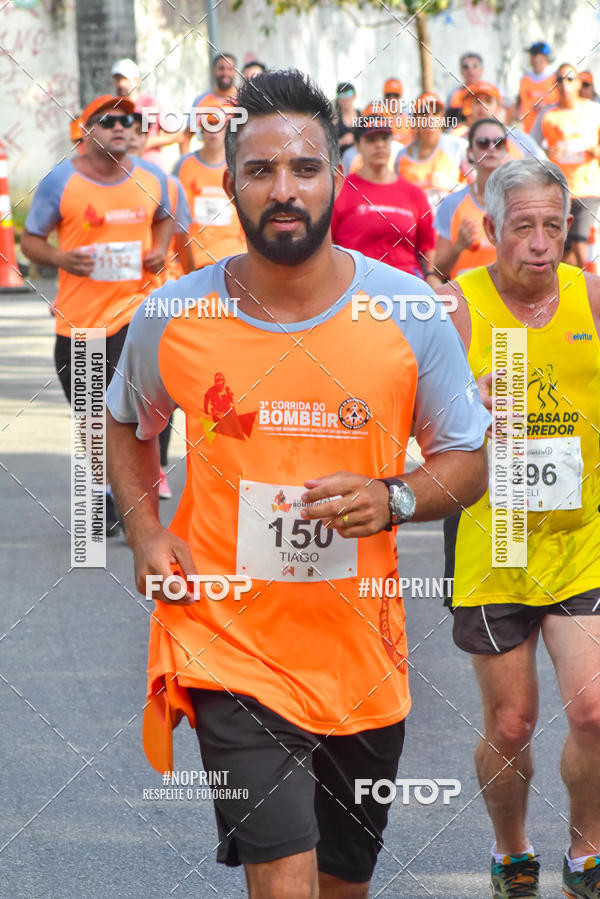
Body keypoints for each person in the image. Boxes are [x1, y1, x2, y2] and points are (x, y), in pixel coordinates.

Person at [105, 68, 489, 899]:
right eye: (260, 169)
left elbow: (468, 457)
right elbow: (126, 423)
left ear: (335, 180)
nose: (284, 189)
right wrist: (144, 530)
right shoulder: (172, 315)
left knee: (342, 886)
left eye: (305, 168)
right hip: (226, 643)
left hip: (361, 657)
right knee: (284, 882)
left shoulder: (408, 312)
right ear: (229, 185)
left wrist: (392, 496)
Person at [441, 158, 600, 899]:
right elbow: (416, 422)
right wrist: (463, 403)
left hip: (580, 540)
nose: (540, 243)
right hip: (494, 541)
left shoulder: (590, 297)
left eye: (553, 227)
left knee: (593, 710)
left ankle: (587, 851)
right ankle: (512, 851)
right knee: (511, 725)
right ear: (491, 227)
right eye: (523, 226)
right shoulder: (457, 307)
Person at [21, 94, 173, 533]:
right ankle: (108, 490)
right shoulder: (60, 182)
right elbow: (30, 241)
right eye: (108, 121)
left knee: (133, 414)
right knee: (92, 420)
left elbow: (166, 216)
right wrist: (61, 259)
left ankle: (135, 502)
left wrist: (160, 249)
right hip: (80, 323)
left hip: (136, 315)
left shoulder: (153, 177)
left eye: (128, 120)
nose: (120, 127)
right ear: (87, 133)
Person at [128, 113, 194, 499]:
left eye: (139, 132)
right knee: (115, 390)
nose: (131, 138)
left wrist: (194, 285)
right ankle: (115, 477)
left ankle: (158, 467)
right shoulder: (99, 186)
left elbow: (183, 240)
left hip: (159, 299)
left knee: (161, 386)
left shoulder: (168, 184)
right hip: (109, 307)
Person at [332, 111, 437, 280]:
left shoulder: (414, 194)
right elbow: (326, 244)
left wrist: (430, 275)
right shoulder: (341, 190)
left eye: (384, 138)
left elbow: (428, 246)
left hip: (405, 285)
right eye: (371, 140)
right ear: (357, 145)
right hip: (357, 285)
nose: (379, 145)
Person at [531, 63, 600, 269]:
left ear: (579, 83)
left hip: (588, 188)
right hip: (558, 189)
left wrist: (596, 151)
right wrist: (546, 152)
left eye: (570, 79)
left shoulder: (594, 111)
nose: (565, 84)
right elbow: (530, 146)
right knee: (564, 249)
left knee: (580, 242)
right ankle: (573, 287)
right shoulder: (548, 114)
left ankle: (590, 286)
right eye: (560, 80)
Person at [433, 118, 508, 279]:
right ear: (469, 152)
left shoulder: (519, 203)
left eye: (498, 143)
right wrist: (457, 247)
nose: (491, 148)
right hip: (465, 293)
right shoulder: (452, 203)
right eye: (483, 143)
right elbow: (436, 273)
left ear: (506, 151)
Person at [173, 112, 246, 270]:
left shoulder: (239, 166)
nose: (214, 131)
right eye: (209, 126)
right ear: (201, 131)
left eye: (219, 126)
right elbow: (172, 211)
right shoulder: (183, 165)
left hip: (233, 257)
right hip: (194, 259)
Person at [111, 58, 184, 168]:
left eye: (125, 79)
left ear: (137, 81)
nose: (120, 83)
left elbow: (176, 135)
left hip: (150, 168)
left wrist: (146, 142)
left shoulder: (151, 103)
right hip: (121, 169)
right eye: (117, 79)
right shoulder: (111, 107)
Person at [394, 93, 461, 211]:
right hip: (415, 219)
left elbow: (477, 190)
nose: (430, 118)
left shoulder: (458, 147)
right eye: (423, 113)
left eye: (435, 112)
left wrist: (448, 185)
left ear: (443, 117)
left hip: (450, 219)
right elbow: (396, 196)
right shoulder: (402, 156)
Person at [515, 42, 558, 134]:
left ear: (545, 57)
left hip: (549, 132)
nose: (532, 58)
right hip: (528, 132)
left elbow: (560, 105)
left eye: (535, 54)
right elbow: (520, 104)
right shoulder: (524, 80)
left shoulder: (555, 80)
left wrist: (546, 106)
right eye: (531, 55)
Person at [445, 52, 485, 121]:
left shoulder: (492, 91)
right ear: (461, 71)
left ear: (481, 70)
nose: (470, 70)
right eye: (466, 67)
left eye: (475, 66)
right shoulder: (454, 95)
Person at [333, 82, 360, 154]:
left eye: (348, 94)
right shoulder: (334, 120)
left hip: (359, 157)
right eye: (341, 95)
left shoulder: (362, 116)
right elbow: (327, 145)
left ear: (354, 96)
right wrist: (342, 141)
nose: (345, 98)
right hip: (341, 157)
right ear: (338, 99)